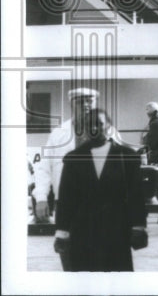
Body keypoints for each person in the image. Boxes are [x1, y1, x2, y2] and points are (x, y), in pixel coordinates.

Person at [53, 108, 147, 271]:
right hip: (83, 232)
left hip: (117, 232)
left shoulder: (127, 157)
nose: (94, 128)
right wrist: (62, 231)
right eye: (90, 125)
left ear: (109, 126)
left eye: (99, 124)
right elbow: (66, 198)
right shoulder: (74, 158)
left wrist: (138, 226)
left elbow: (136, 195)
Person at [34, 87, 113, 227]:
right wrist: (41, 198)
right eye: (80, 102)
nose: (86, 105)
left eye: (90, 101)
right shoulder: (58, 133)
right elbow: (44, 168)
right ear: (71, 104)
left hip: (102, 201)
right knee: (68, 244)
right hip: (66, 200)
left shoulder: (110, 132)